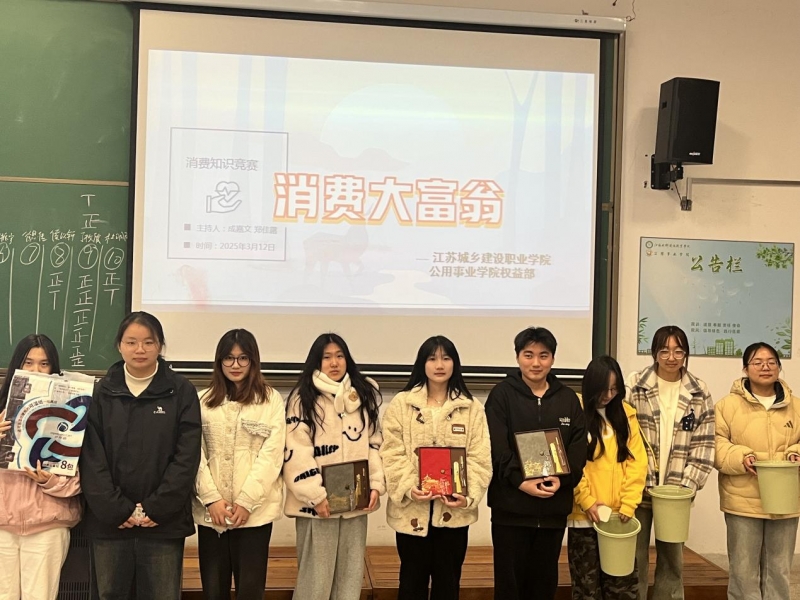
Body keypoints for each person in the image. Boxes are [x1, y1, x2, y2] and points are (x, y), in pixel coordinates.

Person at [79, 311, 201, 600]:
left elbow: (187, 456)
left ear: (160, 345)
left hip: (162, 523)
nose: (140, 349)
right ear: (119, 345)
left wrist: (156, 508)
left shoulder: (181, 391)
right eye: (131, 342)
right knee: (109, 594)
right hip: (110, 523)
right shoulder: (100, 393)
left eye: (148, 342)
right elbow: (91, 458)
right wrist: (116, 509)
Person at [380, 336, 492, 600]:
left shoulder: (472, 408)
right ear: (422, 363)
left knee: (448, 585)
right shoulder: (402, 404)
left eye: (446, 358)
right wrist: (409, 487)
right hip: (411, 513)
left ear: (455, 363)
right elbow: (391, 452)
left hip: (454, 514)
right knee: (411, 584)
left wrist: (467, 494)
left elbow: (480, 458)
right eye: (432, 358)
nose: (439, 365)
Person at [484, 326, 587, 600]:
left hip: (553, 511)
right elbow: (497, 447)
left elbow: (578, 449)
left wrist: (561, 480)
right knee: (509, 587)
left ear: (552, 358)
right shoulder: (501, 396)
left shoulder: (568, 399)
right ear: (518, 357)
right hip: (511, 511)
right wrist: (521, 482)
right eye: (528, 355)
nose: (536, 363)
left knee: (543, 587)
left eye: (543, 355)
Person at [283, 333, 385, 600]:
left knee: (350, 578)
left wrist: (375, 485)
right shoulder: (302, 398)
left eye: (340, 356)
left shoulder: (363, 394)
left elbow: (374, 444)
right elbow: (296, 451)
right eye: (327, 357)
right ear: (316, 361)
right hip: (317, 506)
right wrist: (315, 495)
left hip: (355, 503)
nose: (334, 362)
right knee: (315, 582)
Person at [193, 329, 286, 600]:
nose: (235, 365)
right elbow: (193, 454)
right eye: (228, 358)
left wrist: (246, 502)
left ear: (253, 361)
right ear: (219, 361)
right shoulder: (202, 400)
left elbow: (272, 455)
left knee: (251, 590)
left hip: (255, 514)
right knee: (213, 590)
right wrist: (212, 499)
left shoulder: (270, 400)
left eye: (243, 358)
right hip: (212, 513)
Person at [626, 325, 714, 600]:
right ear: (654, 353)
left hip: (676, 493)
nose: (671, 357)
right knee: (633, 561)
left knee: (672, 562)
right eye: (664, 351)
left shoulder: (699, 390)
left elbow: (704, 443)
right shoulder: (635, 385)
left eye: (678, 351)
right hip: (638, 488)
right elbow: (622, 436)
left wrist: (687, 486)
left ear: (686, 354)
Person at [714, 342, 800, 600]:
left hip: (785, 499)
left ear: (779, 367)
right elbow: (716, 444)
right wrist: (741, 457)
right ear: (745, 368)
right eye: (757, 362)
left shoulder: (796, 406)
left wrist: (795, 451)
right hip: (742, 500)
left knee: (779, 571)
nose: (765, 367)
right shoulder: (727, 406)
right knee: (743, 572)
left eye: (771, 362)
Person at [0, 334, 82, 600]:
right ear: (17, 365)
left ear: (54, 368)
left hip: (48, 524)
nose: (36, 370)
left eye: (44, 364)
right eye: (28, 362)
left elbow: (80, 481)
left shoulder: (71, 416)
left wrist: (49, 480)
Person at [568, 355, 647, 600]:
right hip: (584, 518)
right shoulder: (576, 413)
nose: (609, 395)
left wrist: (629, 503)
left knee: (622, 589)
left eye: (614, 389)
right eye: (604, 389)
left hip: (619, 520)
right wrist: (587, 500)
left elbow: (637, 464)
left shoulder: (627, 416)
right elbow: (571, 464)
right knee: (587, 591)